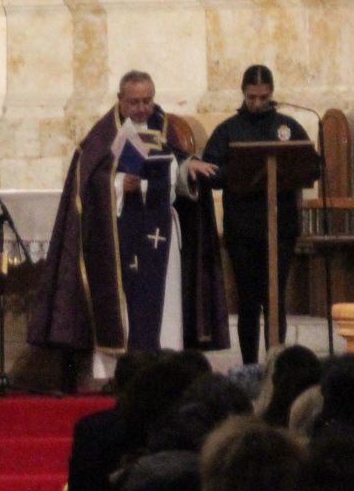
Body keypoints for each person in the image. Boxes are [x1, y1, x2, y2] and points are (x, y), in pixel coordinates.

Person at [30, 71, 229, 382]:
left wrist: (187, 167)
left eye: (147, 100)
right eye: (134, 102)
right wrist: (121, 184)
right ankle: (116, 373)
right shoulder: (103, 134)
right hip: (121, 234)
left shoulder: (161, 126)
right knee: (126, 306)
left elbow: (173, 161)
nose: (142, 108)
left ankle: (166, 368)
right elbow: (92, 182)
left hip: (161, 231)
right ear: (120, 100)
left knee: (164, 307)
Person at [201, 66, 309, 366]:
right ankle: (249, 364)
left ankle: (277, 363)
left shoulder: (287, 127)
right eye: (252, 97)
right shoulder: (228, 130)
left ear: (272, 93)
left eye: (263, 97)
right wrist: (237, 171)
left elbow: (309, 164)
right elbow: (209, 172)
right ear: (243, 93)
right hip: (243, 227)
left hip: (281, 224)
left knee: (275, 300)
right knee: (248, 299)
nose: (258, 103)